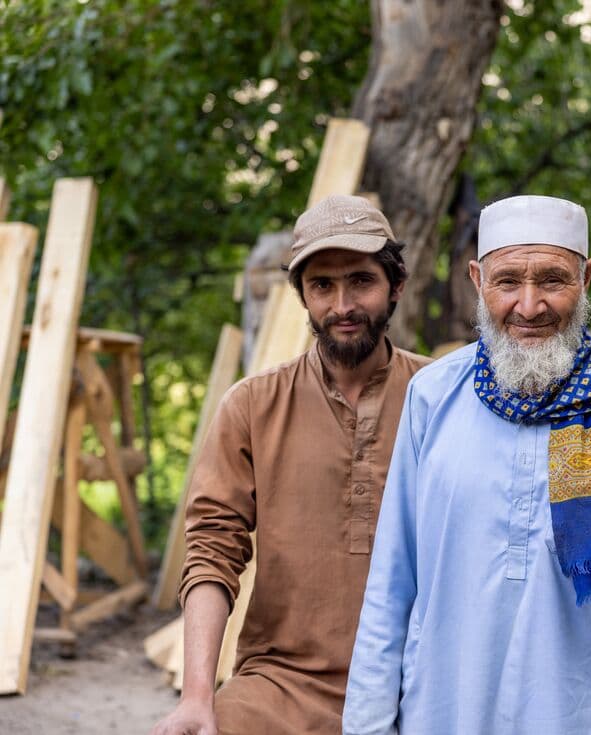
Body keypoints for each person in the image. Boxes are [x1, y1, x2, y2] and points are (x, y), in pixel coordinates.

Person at [343, 194, 591, 735]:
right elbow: (391, 584)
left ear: (586, 278)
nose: (529, 305)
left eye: (552, 280)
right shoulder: (433, 395)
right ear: (478, 281)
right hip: (448, 713)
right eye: (507, 281)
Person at [152, 195, 430, 735]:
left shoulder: (440, 398)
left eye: (361, 281)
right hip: (282, 683)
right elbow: (212, 550)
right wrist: (197, 697)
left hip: (419, 680)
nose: (342, 305)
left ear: (396, 285)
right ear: (302, 295)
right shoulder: (252, 405)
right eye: (322, 285)